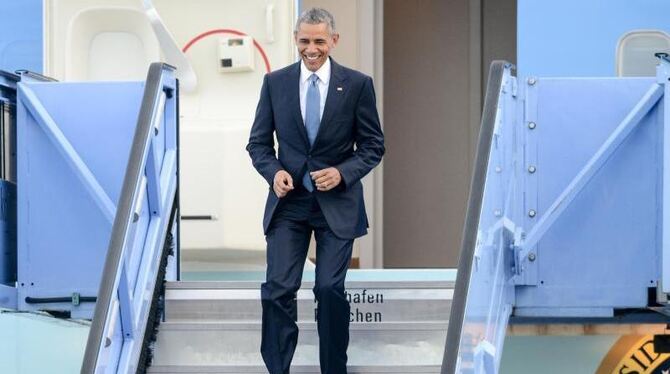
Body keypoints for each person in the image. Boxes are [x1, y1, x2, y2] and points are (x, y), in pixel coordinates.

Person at [247, 7, 385, 374]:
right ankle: (278, 369)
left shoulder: (357, 85)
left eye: (319, 41)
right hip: (288, 204)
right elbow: (258, 144)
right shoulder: (274, 83)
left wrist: (342, 173)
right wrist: (273, 172)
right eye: (305, 41)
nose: (312, 48)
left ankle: (333, 369)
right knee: (278, 288)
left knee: (328, 290)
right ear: (295, 39)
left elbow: (373, 146)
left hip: (336, 205)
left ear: (333, 41)